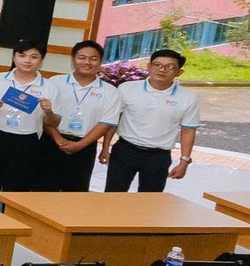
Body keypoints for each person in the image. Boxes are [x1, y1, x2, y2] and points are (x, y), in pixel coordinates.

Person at [101, 48, 201, 192]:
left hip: (158, 156)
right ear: (149, 66)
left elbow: (188, 130)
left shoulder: (188, 98)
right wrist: (105, 148)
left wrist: (184, 161)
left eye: (170, 67)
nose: (162, 69)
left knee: (150, 200)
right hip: (125, 150)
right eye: (157, 65)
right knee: (113, 195)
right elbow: (113, 121)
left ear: (179, 72)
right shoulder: (127, 89)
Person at [0, 40, 49, 205]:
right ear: (14, 57)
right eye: (22, 55)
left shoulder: (50, 87)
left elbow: (53, 122)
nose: (27, 60)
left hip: (26, 142)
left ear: (42, 60)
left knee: (17, 195)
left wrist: (49, 111)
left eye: (34, 57)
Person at [41, 40, 119, 191]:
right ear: (73, 59)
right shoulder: (55, 82)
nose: (87, 62)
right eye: (82, 57)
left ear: (100, 62)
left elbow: (106, 123)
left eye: (93, 58)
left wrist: (79, 145)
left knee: (75, 194)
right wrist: (58, 140)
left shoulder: (110, 91)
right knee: (43, 191)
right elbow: (44, 114)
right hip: (52, 142)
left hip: (85, 147)